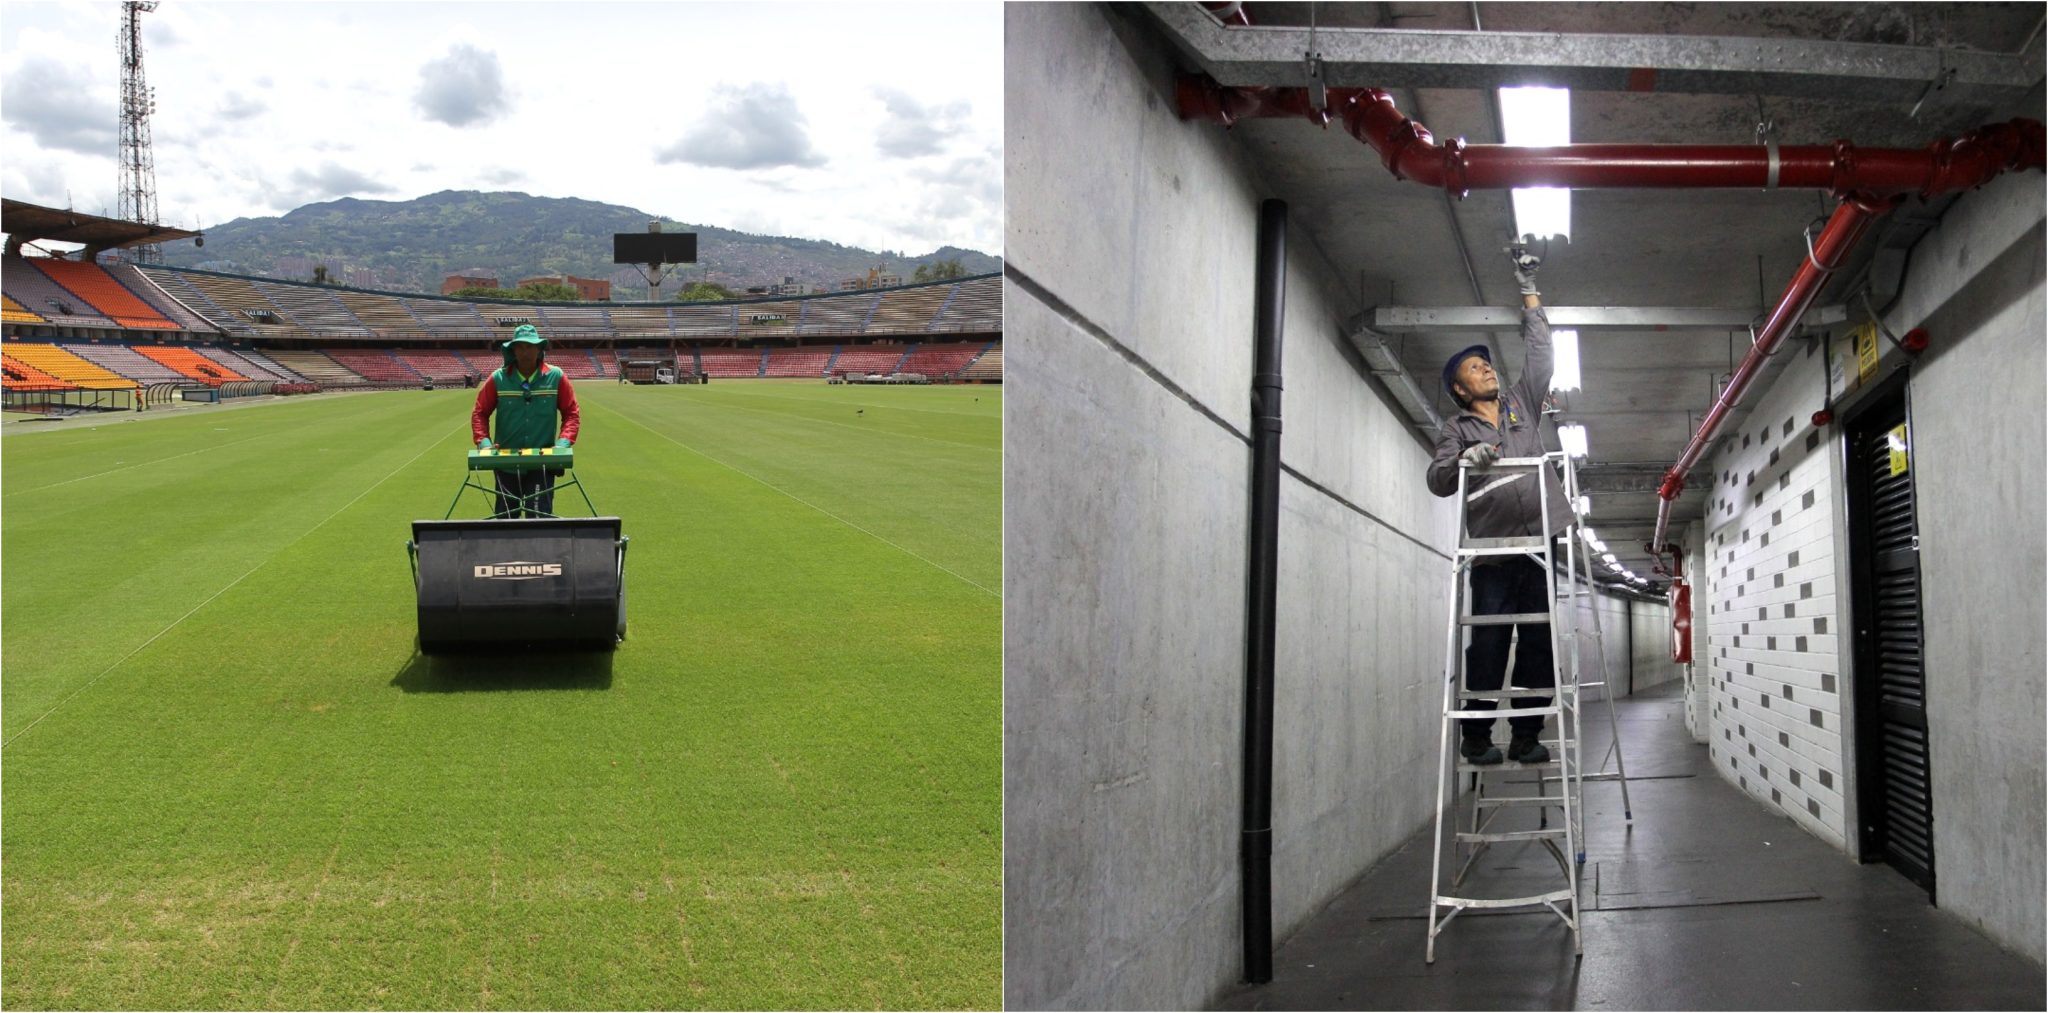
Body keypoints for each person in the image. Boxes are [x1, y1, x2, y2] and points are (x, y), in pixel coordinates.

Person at [1425, 248, 1573, 766]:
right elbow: (1438, 479)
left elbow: (1540, 356)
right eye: (1474, 367)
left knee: (1537, 641)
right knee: (1487, 642)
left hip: (1538, 543)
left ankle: (1528, 735)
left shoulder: (1520, 403)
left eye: (1486, 362)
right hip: (1491, 551)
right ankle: (1478, 736)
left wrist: (1529, 292)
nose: (1485, 368)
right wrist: (1467, 457)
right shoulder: (1455, 428)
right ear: (1460, 390)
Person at [471, 324, 580, 518]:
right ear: (512, 350)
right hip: (505, 464)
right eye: (520, 346)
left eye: (530, 346)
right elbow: (480, 412)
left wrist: (562, 444)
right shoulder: (498, 379)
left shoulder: (556, 377)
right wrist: (485, 444)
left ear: (539, 349)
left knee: (538, 519)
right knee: (505, 520)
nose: (526, 351)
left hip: (542, 463)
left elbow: (571, 412)